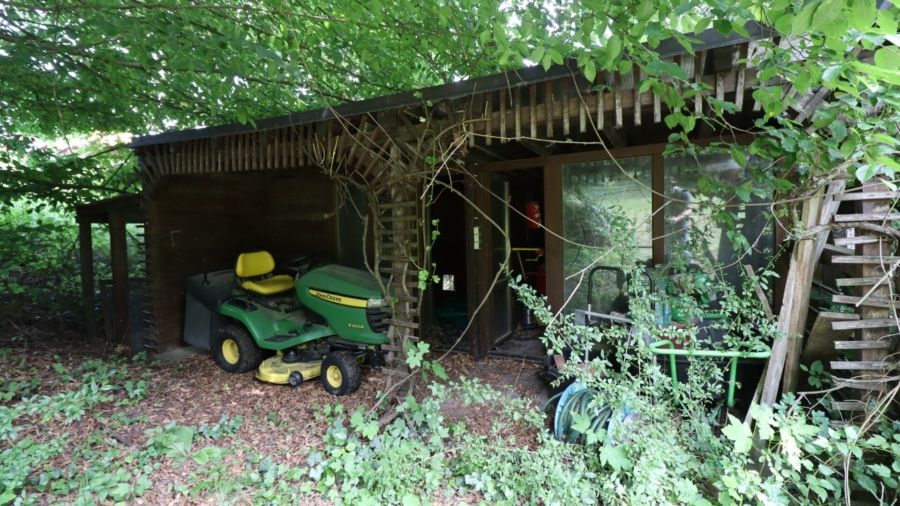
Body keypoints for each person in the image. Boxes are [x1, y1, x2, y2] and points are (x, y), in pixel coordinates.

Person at [665, 177, 693, 264]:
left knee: (684, 249)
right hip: (668, 226)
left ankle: (689, 268)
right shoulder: (665, 195)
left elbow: (689, 209)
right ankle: (672, 268)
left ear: (674, 185)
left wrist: (677, 219)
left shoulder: (684, 193)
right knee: (670, 250)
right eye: (666, 187)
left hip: (681, 225)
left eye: (670, 187)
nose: (668, 189)